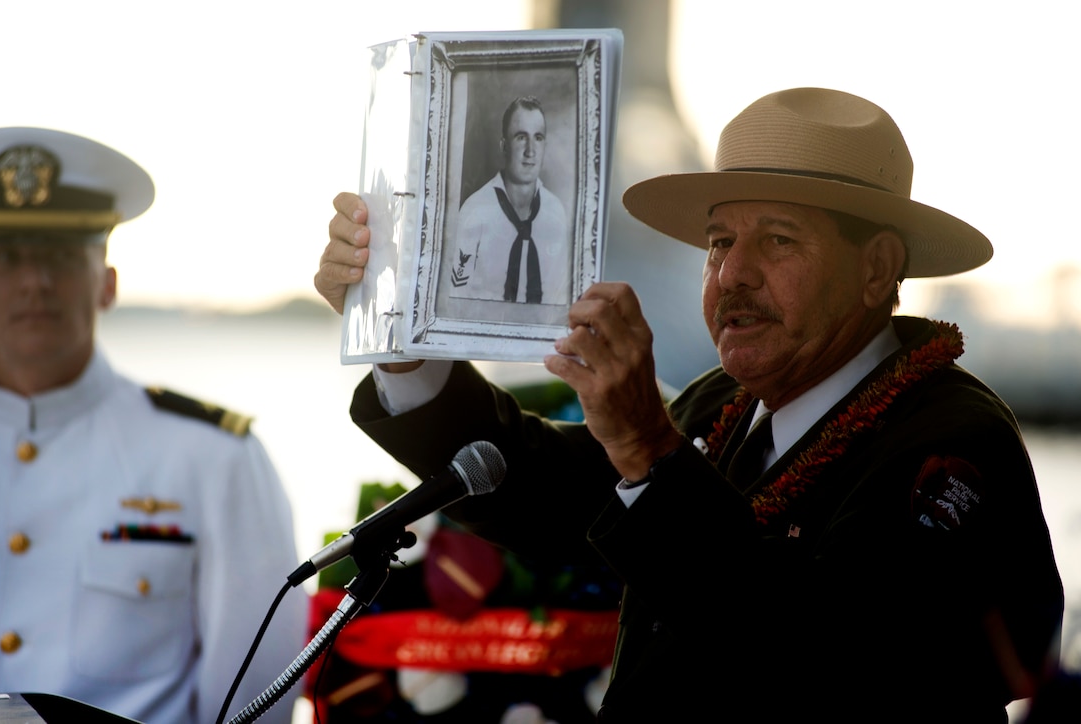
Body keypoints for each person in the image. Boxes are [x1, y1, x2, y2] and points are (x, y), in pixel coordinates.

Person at [314, 88, 1065, 721]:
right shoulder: (728, 404)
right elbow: (543, 493)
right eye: (716, 243)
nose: (732, 273)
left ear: (877, 270)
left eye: (776, 241)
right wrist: (402, 343)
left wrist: (649, 447)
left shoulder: (955, 443)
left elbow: (828, 662)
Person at [0, 127, 307, 724]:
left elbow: (252, 709)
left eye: (61, 256)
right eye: (6, 257)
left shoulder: (214, 458)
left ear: (107, 284)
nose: (35, 281)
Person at [449, 95, 571, 306]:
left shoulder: (556, 214)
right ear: (504, 145)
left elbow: (560, 299)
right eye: (521, 137)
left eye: (538, 138)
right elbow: (455, 301)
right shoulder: (474, 211)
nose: (530, 151)